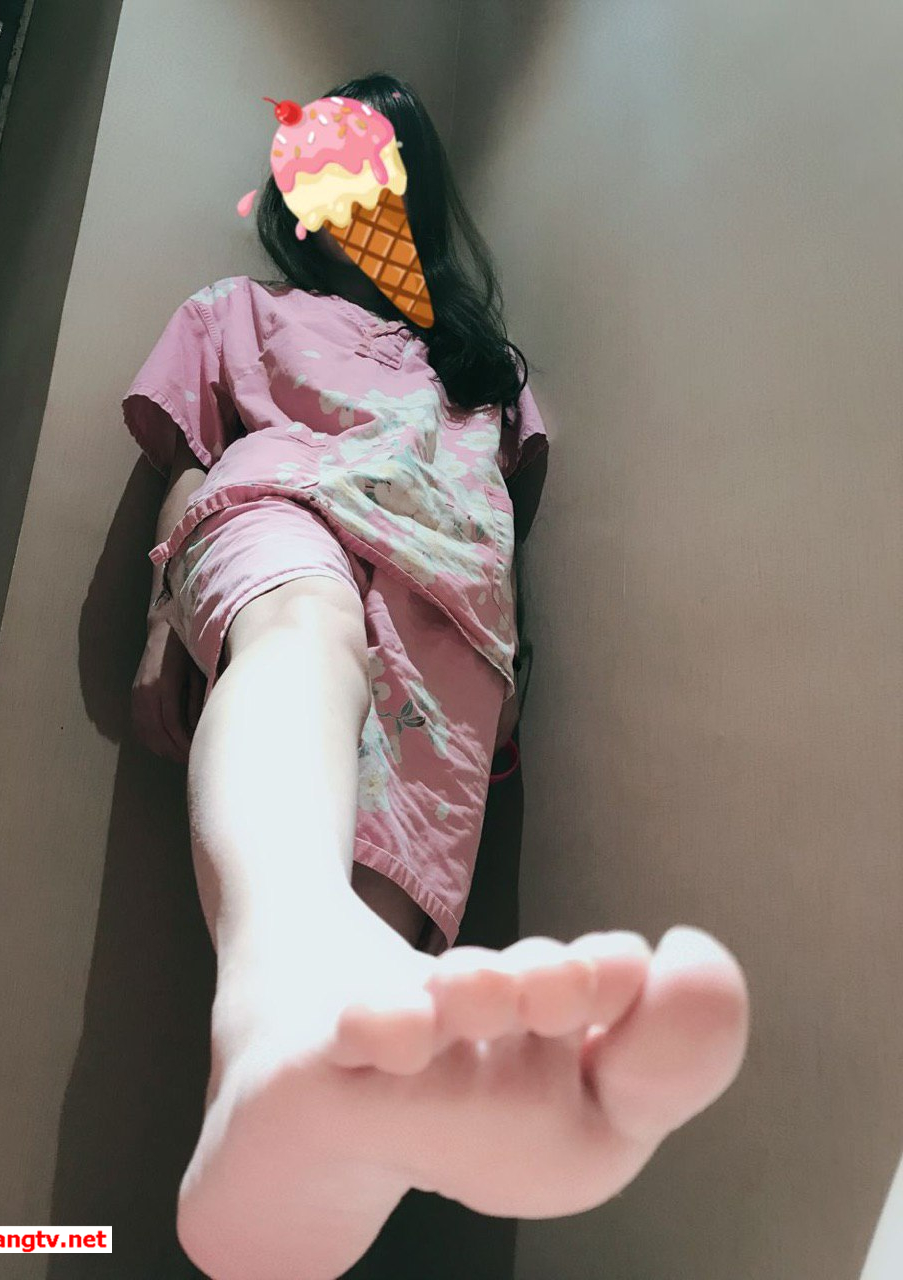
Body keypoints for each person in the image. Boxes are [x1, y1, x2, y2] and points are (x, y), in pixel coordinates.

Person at [124, 71, 748, 1280]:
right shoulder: (234, 312)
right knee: (307, 632)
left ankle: (289, 1151)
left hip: (450, 613)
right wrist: (162, 614)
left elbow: (499, 521)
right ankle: (273, 1019)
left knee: (375, 978)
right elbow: (190, 463)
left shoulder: (487, 372)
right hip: (285, 515)